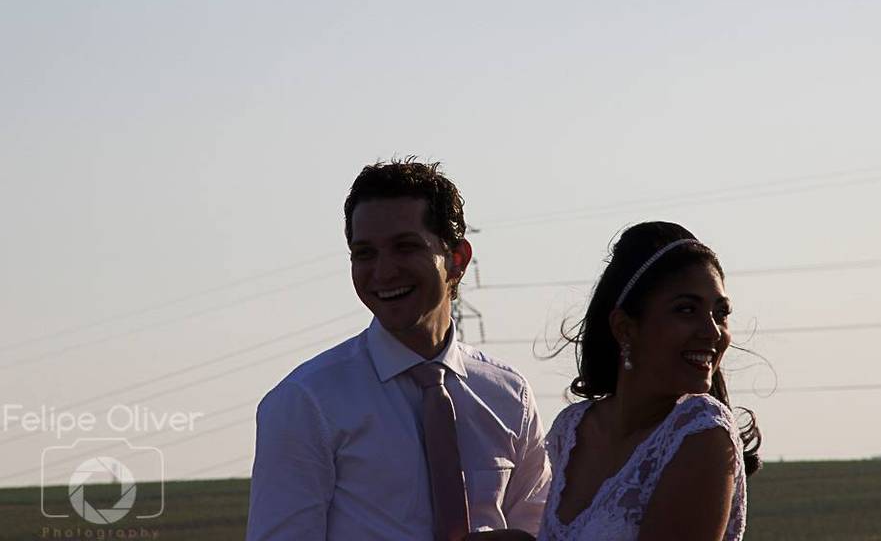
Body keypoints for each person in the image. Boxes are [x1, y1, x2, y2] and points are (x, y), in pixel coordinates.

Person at [246, 158, 550, 541]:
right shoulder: (306, 402)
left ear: (457, 259)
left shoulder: (509, 395)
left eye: (405, 248)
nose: (384, 271)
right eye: (365, 253)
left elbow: (539, 530)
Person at [536, 222, 761, 541]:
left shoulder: (701, 433)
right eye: (687, 310)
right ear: (625, 328)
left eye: (720, 313)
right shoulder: (572, 430)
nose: (712, 331)